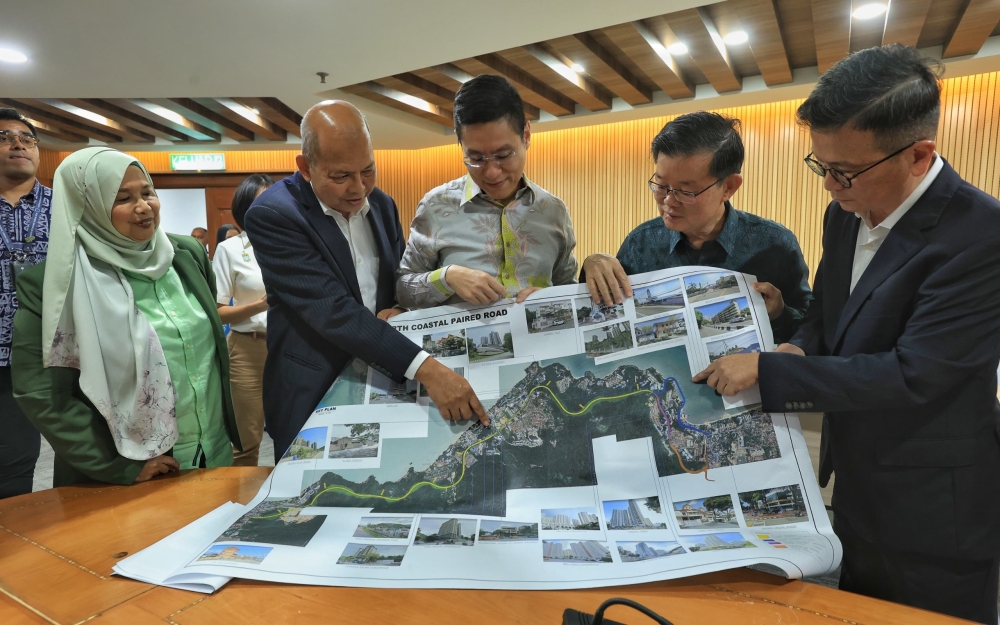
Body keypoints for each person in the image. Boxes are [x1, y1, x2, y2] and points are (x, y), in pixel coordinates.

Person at [694, 45, 1000, 623]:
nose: (831, 186)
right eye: (822, 166)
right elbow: (831, 315)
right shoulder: (845, 214)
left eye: (846, 171)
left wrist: (769, 369)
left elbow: (917, 374)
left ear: (918, 155)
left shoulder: (981, 236)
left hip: (935, 508)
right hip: (854, 489)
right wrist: (798, 346)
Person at [245, 101, 486, 461]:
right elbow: (333, 311)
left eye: (368, 171)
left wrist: (399, 307)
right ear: (305, 167)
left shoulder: (383, 206)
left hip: (383, 379)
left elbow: (397, 281)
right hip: (314, 386)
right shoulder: (275, 214)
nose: (358, 188)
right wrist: (427, 369)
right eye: (341, 176)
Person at [11, 147, 242, 486]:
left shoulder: (186, 255)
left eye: (147, 192)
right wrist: (117, 467)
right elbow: (43, 396)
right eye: (123, 198)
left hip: (214, 452)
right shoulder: (56, 285)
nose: (144, 207)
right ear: (86, 207)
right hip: (132, 470)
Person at [580, 111, 811, 344]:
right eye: (661, 185)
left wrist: (780, 313)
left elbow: (811, 329)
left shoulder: (774, 244)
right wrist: (592, 264)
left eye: (685, 191)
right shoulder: (641, 243)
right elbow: (608, 316)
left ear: (729, 186)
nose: (669, 201)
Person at [396, 74, 577, 308]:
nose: (491, 172)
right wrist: (447, 277)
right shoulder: (436, 206)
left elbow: (569, 288)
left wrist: (550, 299)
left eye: (503, 155)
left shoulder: (554, 211)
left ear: (526, 135)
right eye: (476, 158)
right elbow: (403, 288)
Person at [0, 107, 49, 498]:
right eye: (4, 137)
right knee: (12, 460)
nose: (17, 144)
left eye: (26, 138)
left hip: (49, 353)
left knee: (20, 460)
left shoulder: (69, 207)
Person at [213, 174, 273, 465]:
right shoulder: (231, 249)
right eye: (261, 202)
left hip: (291, 347)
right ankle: (241, 506)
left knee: (297, 432)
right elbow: (218, 310)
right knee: (247, 442)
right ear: (245, 209)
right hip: (248, 349)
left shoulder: (293, 243)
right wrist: (261, 305)